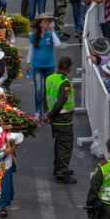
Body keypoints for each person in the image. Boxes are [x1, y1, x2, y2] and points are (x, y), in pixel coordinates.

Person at [43, 56, 76, 184]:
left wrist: (47, 114)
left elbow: (45, 97)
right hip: (64, 119)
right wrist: (49, 115)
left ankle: (59, 168)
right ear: (68, 68)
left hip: (55, 118)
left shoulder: (50, 78)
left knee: (59, 144)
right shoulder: (65, 82)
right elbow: (61, 101)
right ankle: (61, 173)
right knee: (65, 146)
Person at [28, 13, 60, 117]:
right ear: (40, 24)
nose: (47, 23)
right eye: (45, 21)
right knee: (38, 89)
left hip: (49, 66)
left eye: (48, 21)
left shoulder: (52, 34)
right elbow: (31, 50)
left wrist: (52, 31)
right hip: (37, 66)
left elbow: (58, 44)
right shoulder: (33, 36)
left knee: (48, 89)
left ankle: (47, 110)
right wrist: (29, 63)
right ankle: (38, 111)